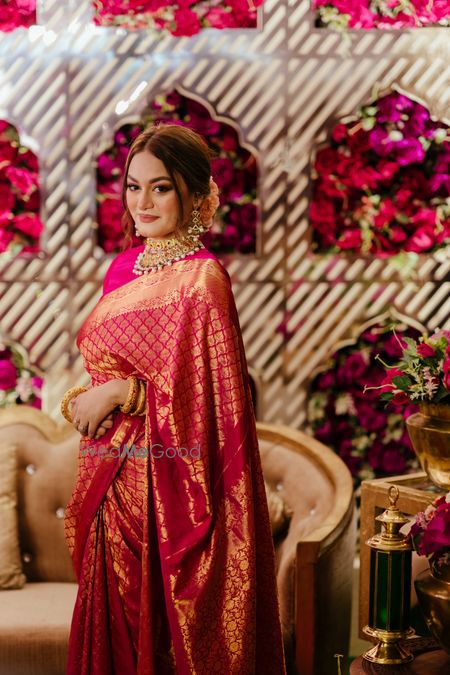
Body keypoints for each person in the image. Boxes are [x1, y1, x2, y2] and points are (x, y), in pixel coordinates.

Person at [63, 123, 286, 675]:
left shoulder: (203, 279)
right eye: (133, 188)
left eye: (159, 187)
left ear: (193, 193)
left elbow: (212, 402)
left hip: (170, 495)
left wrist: (123, 391)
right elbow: (104, 368)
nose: (142, 202)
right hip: (111, 485)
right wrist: (87, 398)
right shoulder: (122, 268)